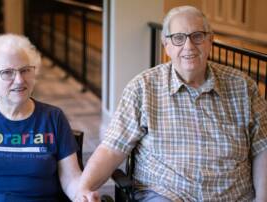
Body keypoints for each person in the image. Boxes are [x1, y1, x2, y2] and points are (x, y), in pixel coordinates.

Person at [76, 5, 267, 202]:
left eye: (197, 36)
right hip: (167, 194)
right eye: (178, 38)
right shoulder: (143, 88)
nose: (189, 46)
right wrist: (84, 187)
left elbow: (263, 147)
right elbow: (112, 148)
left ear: (210, 40)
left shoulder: (243, 87)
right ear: (166, 45)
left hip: (234, 196)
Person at [0, 34, 99, 202]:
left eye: (25, 70)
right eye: (7, 73)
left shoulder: (53, 119)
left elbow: (71, 179)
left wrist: (82, 194)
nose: (19, 80)